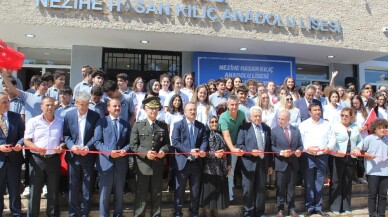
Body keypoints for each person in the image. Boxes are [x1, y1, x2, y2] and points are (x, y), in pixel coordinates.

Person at [24, 97, 65, 217]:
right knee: (34, 192)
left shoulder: (60, 122)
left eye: (52, 105)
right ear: (41, 106)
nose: (49, 107)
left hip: (53, 159)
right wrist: (36, 148)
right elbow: (27, 140)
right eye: (47, 105)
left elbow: (63, 141)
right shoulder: (33, 121)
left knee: (53, 192)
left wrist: (60, 147)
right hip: (37, 160)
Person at [131, 96, 170, 217]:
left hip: (157, 165)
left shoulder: (162, 126)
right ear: (145, 109)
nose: (154, 111)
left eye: (156, 109)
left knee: (157, 194)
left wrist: (163, 151)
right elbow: (133, 145)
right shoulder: (138, 125)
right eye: (151, 109)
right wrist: (145, 153)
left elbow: (167, 144)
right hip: (143, 165)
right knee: (141, 195)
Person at [63, 91, 100, 217]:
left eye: (86, 104)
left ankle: (85, 212)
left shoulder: (95, 116)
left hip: (88, 156)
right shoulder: (68, 115)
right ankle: (73, 212)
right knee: (73, 185)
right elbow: (66, 135)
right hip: (73, 156)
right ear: (76, 103)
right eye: (81, 104)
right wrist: (72, 146)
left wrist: (87, 147)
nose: (83, 107)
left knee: (87, 187)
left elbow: (96, 136)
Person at [94, 98, 131, 217]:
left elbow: (131, 142)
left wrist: (124, 150)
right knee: (104, 194)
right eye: (114, 106)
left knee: (119, 193)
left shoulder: (125, 123)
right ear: (108, 108)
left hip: (121, 163)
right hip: (106, 163)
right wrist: (110, 152)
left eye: (119, 106)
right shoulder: (101, 122)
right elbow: (97, 142)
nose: (117, 108)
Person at [298, 102, 336, 216]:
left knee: (319, 183)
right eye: (314, 110)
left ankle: (318, 207)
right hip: (308, 157)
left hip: (322, 157)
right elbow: (300, 141)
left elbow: (332, 139)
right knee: (309, 183)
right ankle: (309, 207)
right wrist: (307, 148)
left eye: (319, 110)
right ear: (309, 112)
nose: (317, 112)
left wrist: (328, 147)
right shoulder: (303, 125)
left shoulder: (326, 124)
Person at [171, 102, 208, 217]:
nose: (193, 112)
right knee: (179, 190)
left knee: (195, 191)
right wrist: (189, 151)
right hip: (182, 162)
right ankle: (178, 212)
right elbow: (175, 141)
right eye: (190, 110)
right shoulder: (178, 125)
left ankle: (194, 213)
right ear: (185, 112)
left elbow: (204, 140)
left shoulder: (201, 126)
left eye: (194, 109)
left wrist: (202, 150)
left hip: (196, 163)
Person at [236, 106, 273, 217]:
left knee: (261, 188)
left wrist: (270, 165)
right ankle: (248, 212)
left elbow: (269, 148)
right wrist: (250, 152)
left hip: (262, 163)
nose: (258, 118)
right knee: (248, 188)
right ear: (250, 117)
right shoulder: (244, 128)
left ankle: (260, 212)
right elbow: (239, 146)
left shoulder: (266, 128)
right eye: (255, 116)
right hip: (248, 163)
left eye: (259, 116)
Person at [329, 107, 362, 215]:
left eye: (346, 116)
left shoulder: (355, 127)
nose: (343, 117)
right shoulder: (335, 127)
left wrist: (358, 148)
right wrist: (335, 151)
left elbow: (360, 141)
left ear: (351, 117)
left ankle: (346, 206)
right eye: (342, 115)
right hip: (338, 157)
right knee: (336, 182)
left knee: (347, 182)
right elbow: (331, 141)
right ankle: (335, 206)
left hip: (351, 158)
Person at [353, 119, 388, 217]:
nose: (382, 130)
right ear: (375, 129)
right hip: (372, 172)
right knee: (372, 195)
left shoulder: (387, 138)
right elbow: (361, 151)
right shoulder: (369, 138)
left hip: (386, 172)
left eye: (384, 128)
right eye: (380, 128)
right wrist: (368, 155)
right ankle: (372, 215)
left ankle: (381, 215)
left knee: (383, 196)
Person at [271, 110, 302, 217]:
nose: (280, 120)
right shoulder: (274, 131)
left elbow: (300, 145)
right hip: (281, 164)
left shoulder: (296, 130)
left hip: (293, 164)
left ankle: (292, 208)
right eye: (279, 118)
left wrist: (299, 151)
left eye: (282, 119)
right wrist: (281, 153)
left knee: (291, 187)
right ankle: (280, 209)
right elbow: (271, 146)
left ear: (289, 119)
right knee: (280, 187)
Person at [199, 116, 230, 217]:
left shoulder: (221, 134)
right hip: (209, 169)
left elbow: (226, 150)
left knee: (217, 193)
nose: (214, 123)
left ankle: (215, 213)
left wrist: (228, 164)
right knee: (209, 193)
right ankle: (207, 214)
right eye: (212, 122)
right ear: (208, 123)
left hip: (221, 168)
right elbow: (203, 152)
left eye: (216, 121)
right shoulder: (206, 135)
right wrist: (214, 154)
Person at [0, 93, 25, 217]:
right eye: (4, 102)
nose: (7, 104)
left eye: (8, 101)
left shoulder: (15, 117)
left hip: (14, 160)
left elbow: (22, 135)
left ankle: (16, 213)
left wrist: (19, 144)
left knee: (14, 190)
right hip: (0, 160)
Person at [218, 95, 246, 202]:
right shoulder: (223, 117)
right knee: (230, 171)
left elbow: (245, 127)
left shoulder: (242, 114)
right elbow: (226, 135)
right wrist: (232, 149)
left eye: (236, 104)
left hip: (238, 146)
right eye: (232, 105)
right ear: (227, 106)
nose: (234, 107)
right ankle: (229, 195)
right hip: (226, 147)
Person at [351, 95, 369, 184]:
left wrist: (366, 126)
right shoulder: (351, 112)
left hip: (363, 137)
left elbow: (369, 122)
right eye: (353, 103)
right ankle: (352, 177)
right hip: (354, 136)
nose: (355, 105)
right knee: (353, 157)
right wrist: (358, 129)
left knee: (361, 158)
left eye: (356, 103)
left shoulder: (365, 111)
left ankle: (360, 176)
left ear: (360, 103)